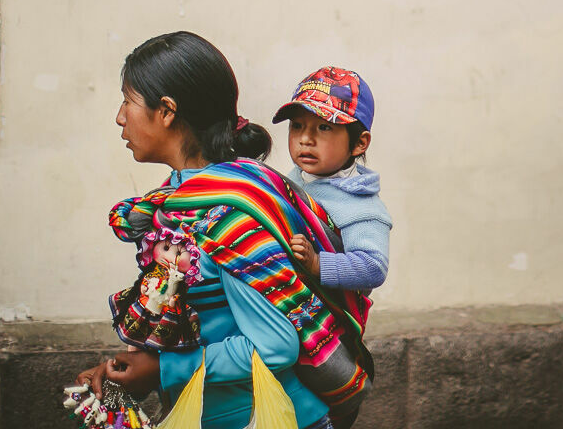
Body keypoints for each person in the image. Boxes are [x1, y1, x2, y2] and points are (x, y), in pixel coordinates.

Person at [76, 32, 369, 429]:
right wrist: (128, 372)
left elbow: (276, 346)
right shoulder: (181, 199)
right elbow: (206, 323)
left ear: (166, 111)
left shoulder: (223, 215)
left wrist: (164, 370)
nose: (120, 117)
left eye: (128, 101)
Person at [273, 67, 392, 295]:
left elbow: (373, 266)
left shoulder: (362, 208)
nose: (305, 139)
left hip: (330, 312)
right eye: (297, 126)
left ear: (359, 143)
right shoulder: (295, 178)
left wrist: (317, 263)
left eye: (324, 127)